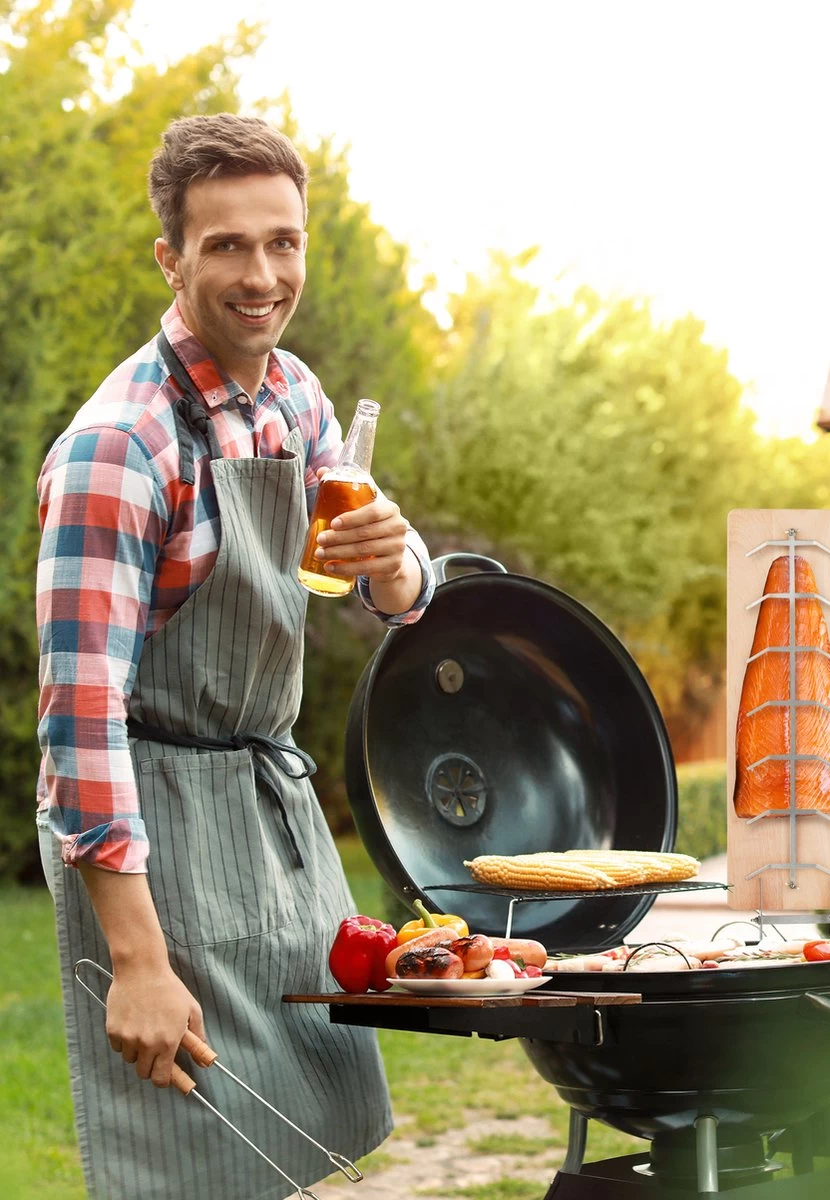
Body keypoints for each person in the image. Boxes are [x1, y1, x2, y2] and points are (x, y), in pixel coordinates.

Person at [35, 114, 434, 1200]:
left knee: (301, 1146)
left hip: (267, 817)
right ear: (171, 258)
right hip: (156, 840)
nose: (263, 276)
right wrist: (137, 962)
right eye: (226, 246)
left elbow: (385, 586)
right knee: (196, 1164)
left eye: (282, 242)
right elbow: (78, 719)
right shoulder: (120, 447)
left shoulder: (297, 399)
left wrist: (396, 566)